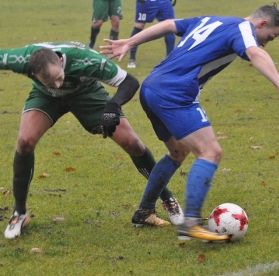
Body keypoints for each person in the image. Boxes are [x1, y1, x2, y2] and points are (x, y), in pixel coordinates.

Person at [100, 3, 279, 242]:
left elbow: (167, 25)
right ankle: (191, 223)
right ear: (262, 23)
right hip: (175, 92)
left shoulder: (212, 19)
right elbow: (256, 53)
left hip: (152, 85)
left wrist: (131, 41)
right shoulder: (243, 27)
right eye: (271, 36)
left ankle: (144, 211)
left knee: (178, 151)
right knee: (210, 151)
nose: (267, 42)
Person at [0, 41, 184, 239]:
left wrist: (113, 106)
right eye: (51, 82)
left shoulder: (85, 60)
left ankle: (167, 198)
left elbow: (130, 82)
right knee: (24, 141)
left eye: (59, 78)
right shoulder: (22, 58)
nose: (58, 85)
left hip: (86, 93)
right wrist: (49, 87)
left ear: (61, 62)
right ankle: (19, 213)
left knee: (132, 143)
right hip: (46, 97)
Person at [127, 0, 176, 69]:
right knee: (139, 26)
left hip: (164, 1)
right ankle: (132, 58)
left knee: (170, 26)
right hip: (147, 1)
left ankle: (170, 60)